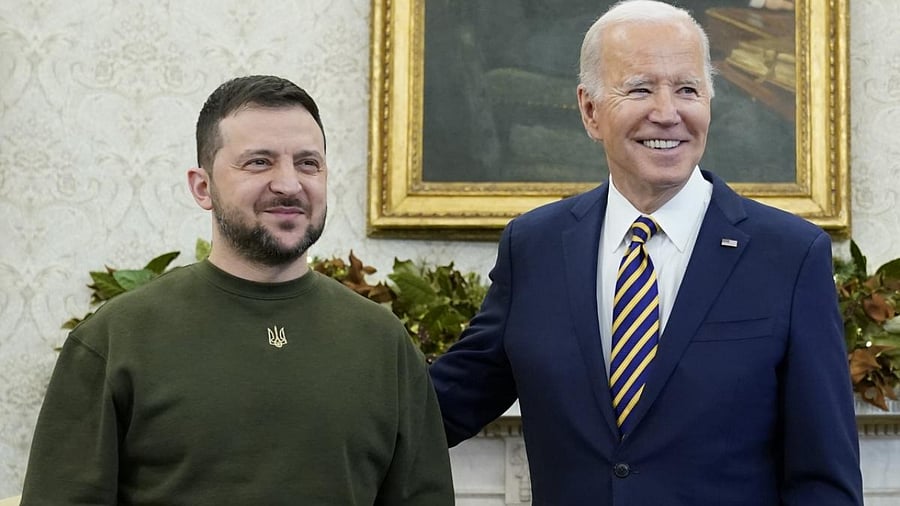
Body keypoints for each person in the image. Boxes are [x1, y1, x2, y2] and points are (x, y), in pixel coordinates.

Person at [429, 1, 863, 504]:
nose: (667, 113)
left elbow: (824, 480)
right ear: (590, 111)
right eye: (639, 88)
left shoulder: (789, 256)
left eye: (687, 90)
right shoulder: (534, 248)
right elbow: (441, 408)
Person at [20, 75, 454, 505]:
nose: (289, 183)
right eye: (259, 162)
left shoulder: (384, 342)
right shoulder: (115, 338)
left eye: (308, 163)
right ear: (202, 187)